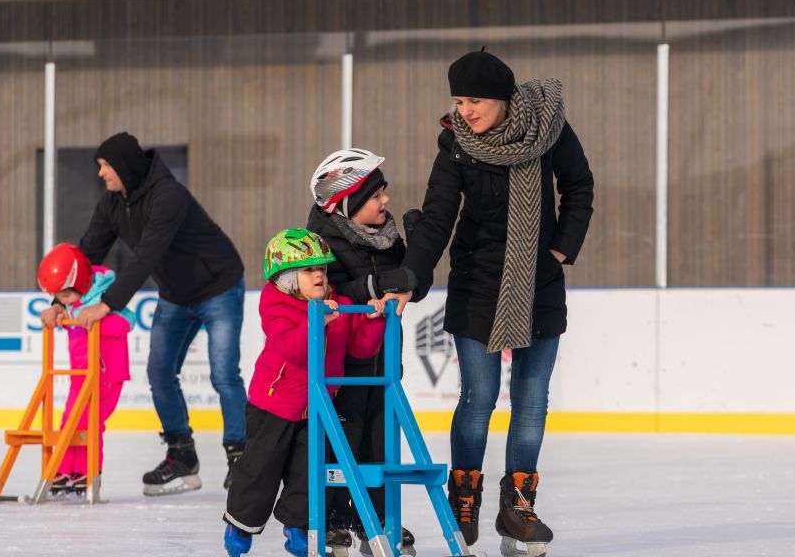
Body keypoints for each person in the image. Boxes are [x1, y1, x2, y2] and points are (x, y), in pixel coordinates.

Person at [388, 48, 594, 554]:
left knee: (530, 402)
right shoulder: (455, 144)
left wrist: (561, 248)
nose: (465, 111)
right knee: (478, 400)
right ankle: (466, 496)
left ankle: (518, 505)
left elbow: (579, 186)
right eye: (458, 100)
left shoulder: (549, 130)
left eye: (475, 100)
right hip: (478, 281)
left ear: (504, 99)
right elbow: (437, 216)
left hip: (538, 282)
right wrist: (412, 275)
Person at [40, 132, 247, 496]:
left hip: (219, 285)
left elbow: (145, 256)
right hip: (176, 295)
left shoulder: (169, 196)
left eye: (105, 166)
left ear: (124, 166)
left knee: (224, 375)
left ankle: (240, 458)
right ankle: (181, 454)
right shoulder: (112, 205)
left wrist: (106, 305)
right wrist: (60, 301)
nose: (101, 174)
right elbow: (87, 255)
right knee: (160, 372)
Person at [223, 228, 386, 557]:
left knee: (310, 473)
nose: (319, 276)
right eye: (309, 270)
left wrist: (372, 320)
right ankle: (241, 523)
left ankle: (299, 528)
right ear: (286, 278)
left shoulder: (339, 305)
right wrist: (318, 322)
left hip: (318, 408)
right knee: (260, 470)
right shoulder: (276, 306)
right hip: (274, 405)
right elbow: (293, 350)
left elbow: (362, 350)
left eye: (322, 269)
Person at [305, 148, 418, 556]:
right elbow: (327, 291)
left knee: (381, 438)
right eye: (375, 196)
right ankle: (336, 517)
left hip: (385, 357)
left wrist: (417, 253)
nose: (385, 201)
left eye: (384, 192)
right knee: (343, 438)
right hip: (343, 360)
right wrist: (375, 286)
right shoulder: (319, 242)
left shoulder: (387, 235)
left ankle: (379, 516)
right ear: (346, 203)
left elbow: (410, 284)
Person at [36, 243, 135, 495]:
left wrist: (98, 319)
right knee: (69, 420)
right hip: (80, 375)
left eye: (66, 296)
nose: (64, 301)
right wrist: (59, 312)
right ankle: (64, 470)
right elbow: (70, 316)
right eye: (59, 298)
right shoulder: (72, 302)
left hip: (106, 375)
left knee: (90, 423)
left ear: (80, 283)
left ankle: (87, 471)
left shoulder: (107, 296)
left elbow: (127, 321)